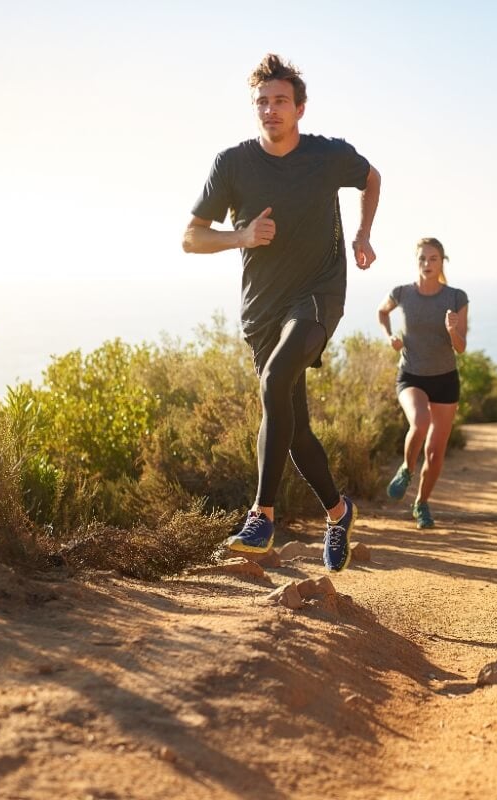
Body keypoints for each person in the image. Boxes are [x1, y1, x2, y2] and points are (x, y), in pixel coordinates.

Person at [182, 54, 381, 572]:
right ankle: (339, 513)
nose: (270, 111)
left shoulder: (327, 156)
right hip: (262, 311)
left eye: (280, 102)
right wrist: (241, 236)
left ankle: (261, 516)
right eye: (262, 103)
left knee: (273, 384)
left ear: (300, 108)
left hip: (318, 295)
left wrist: (362, 235)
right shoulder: (232, 164)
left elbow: (371, 177)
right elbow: (191, 237)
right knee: (293, 431)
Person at [377, 238, 468, 529]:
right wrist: (389, 336)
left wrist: (452, 330)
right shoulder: (402, 293)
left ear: (442, 262)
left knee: (435, 453)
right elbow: (382, 312)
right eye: (422, 259)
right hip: (411, 374)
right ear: (416, 262)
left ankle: (422, 503)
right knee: (419, 421)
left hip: (444, 378)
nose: (427, 264)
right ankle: (406, 469)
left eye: (433, 259)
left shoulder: (456, 297)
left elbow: (461, 347)